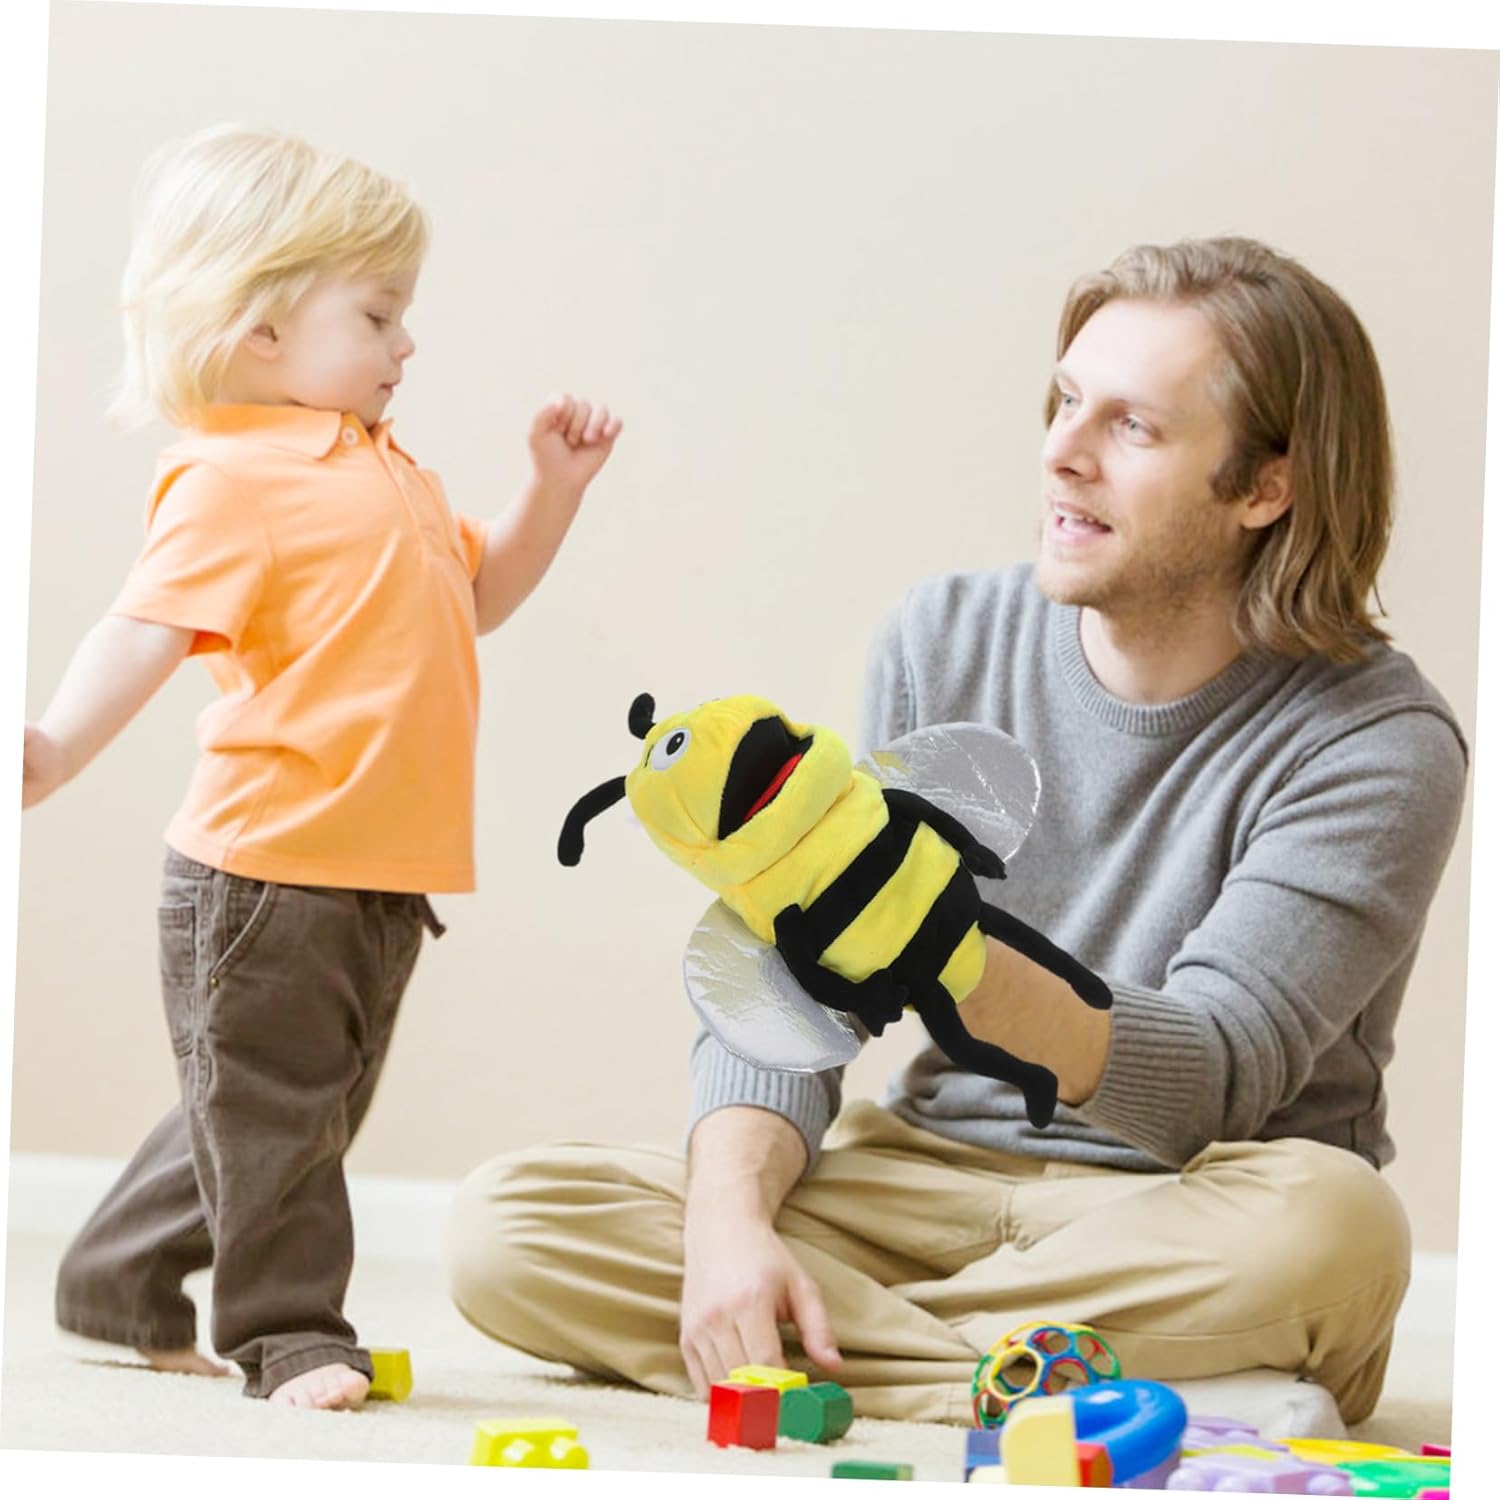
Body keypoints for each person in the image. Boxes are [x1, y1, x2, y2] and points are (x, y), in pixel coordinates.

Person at [443, 236, 1467, 1429]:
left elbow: (1212, 1081)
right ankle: (1062, 1382)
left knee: (1336, 1232)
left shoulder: (1377, 740)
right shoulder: (946, 637)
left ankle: (848, 1355)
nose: (1062, 452)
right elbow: (800, 990)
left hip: (1183, 1204)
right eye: (1065, 401)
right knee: (509, 1227)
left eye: (1133, 427)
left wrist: (933, 942)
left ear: (1264, 489)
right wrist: (726, 1224)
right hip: (921, 1179)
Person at [23, 123, 622, 1410]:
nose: (408, 344)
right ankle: (290, 1335)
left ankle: (117, 1277)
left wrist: (552, 491)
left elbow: (477, 598)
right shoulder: (232, 480)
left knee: (288, 1109)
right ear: (261, 332)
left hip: (381, 869)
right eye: (379, 315)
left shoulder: (384, 469)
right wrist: (56, 745)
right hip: (268, 870)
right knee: (280, 1114)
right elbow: (143, 625)